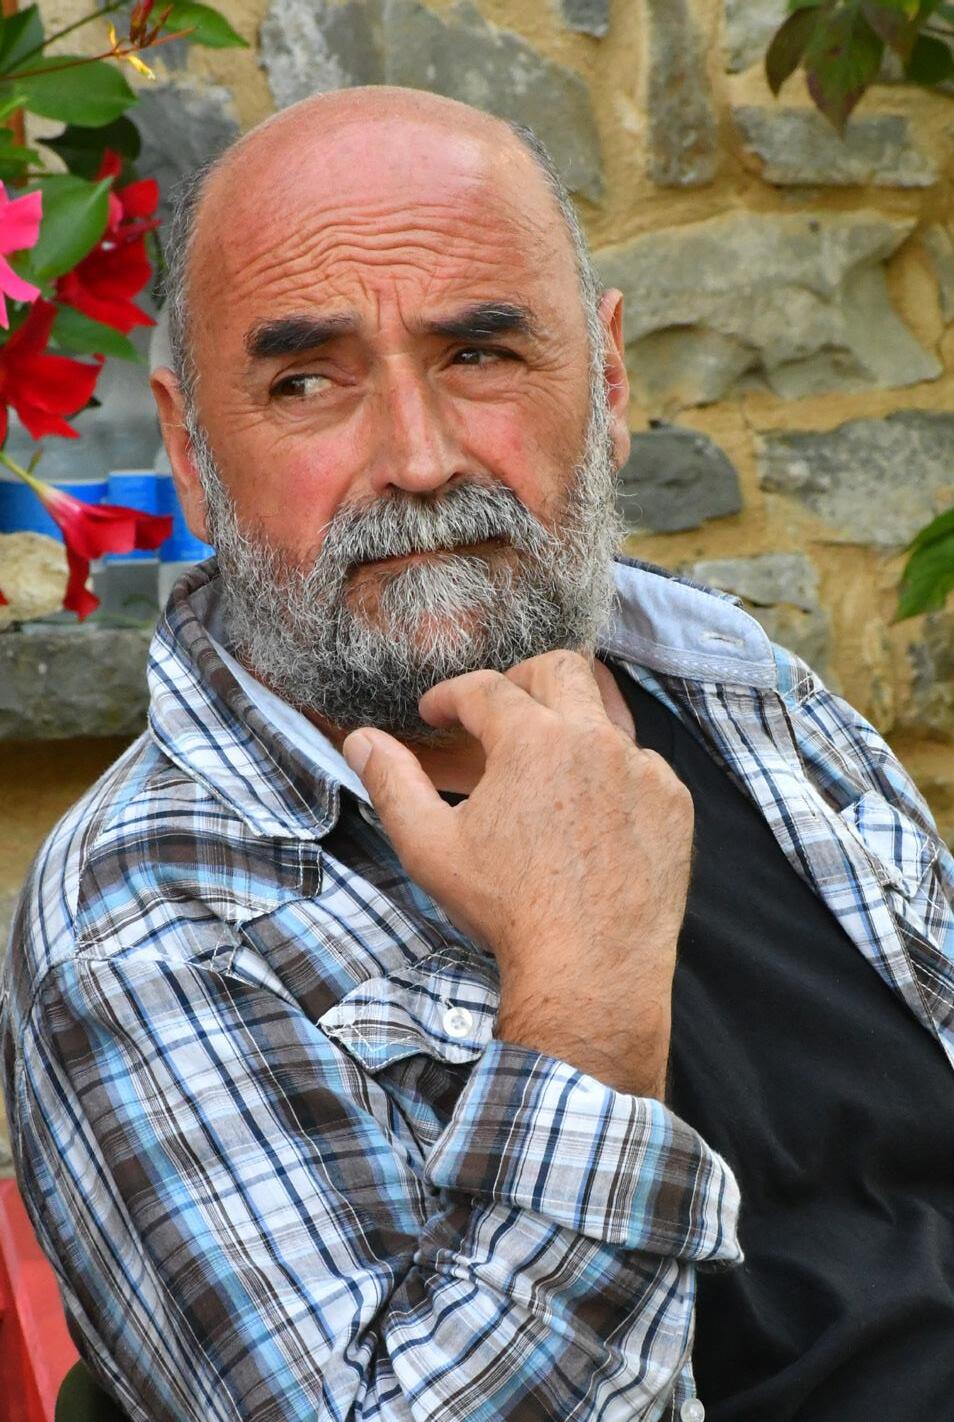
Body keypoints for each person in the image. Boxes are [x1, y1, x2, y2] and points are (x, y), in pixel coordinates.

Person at [2, 86, 952, 1422]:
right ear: (192, 454)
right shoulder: (144, 923)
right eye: (305, 380)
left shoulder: (739, 688)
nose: (419, 456)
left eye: (480, 354)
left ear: (607, 384)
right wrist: (581, 998)